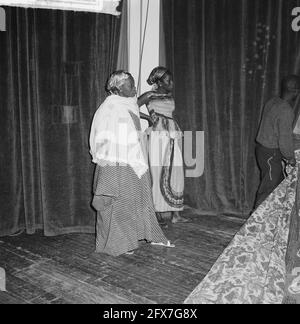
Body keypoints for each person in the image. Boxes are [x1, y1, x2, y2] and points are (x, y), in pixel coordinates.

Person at [89, 70, 174, 257]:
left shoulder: (125, 103)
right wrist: (119, 161)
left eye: (134, 85)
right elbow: (103, 137)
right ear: (119, 88)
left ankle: (147, 235)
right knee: (119, 205)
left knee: (140, 199)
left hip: (133, 159)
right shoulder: (110, 108)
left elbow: (134, 116)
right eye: (131, 86)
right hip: (116, 163)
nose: (135, 88)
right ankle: (119, 244)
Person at [138, 66, 187, 225]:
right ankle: (155, 213)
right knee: (158, 172)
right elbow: (131, 108)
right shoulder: (149, 96)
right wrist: (147, 117)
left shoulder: (169, 95)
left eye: (171, 80)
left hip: (172, 134)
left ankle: (176, 214)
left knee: (176, 172)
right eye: (168, 80)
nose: (171, 83)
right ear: (158, 81)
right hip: (158, 136)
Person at [254, 75, 300, 209]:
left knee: (279, 185)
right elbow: (284, 139)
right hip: (271, 155)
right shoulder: (286, 110)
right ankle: (255, 223)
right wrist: (290, 158)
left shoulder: (272, 101)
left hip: (262, 150)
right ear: (295, 91)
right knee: (267, 188)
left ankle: (273, 218)